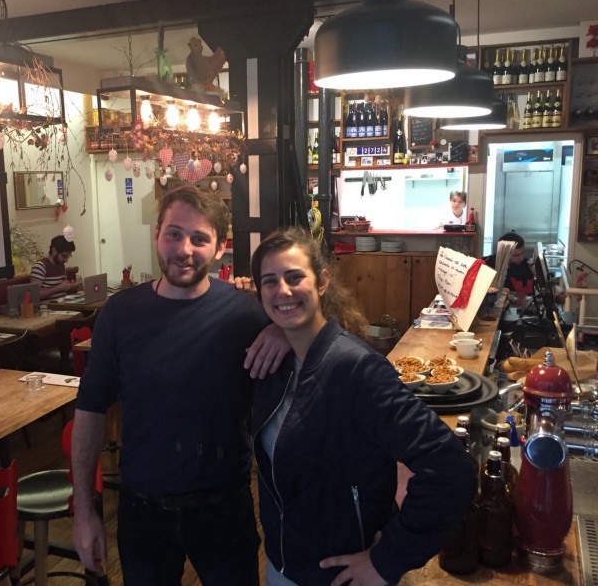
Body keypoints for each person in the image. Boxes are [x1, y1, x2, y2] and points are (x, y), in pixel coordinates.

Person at [71, 185, 288, 585]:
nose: (184, 249)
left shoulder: (248, 313)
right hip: (142, 511)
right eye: (174, 233)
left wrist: (283, 329)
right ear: (157, 235)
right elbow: (89, 410)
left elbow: (323, 338)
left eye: (199, 238)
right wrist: (84, 513)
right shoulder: (120, 313)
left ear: (220, 248)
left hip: (225, 507)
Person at [250, 227, 474, 586]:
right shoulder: (276, 364)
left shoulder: (356, 368)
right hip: (283, 565)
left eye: (294, 277)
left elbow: (449, 466)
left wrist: (389, 559)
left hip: (342, 574)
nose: (283, 290)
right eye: (270, 281)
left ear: (323, 281)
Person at [483, 231, 534, 296]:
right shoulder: (486, 265)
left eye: (523, 253)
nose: (521, 258)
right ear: (503, 253)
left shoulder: (527, 266)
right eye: (516, 255)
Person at [30, 235, 79, 299]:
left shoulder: (61, 265)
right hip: (49, 304)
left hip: (63, 301)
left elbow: (62, 288)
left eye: (68, 256)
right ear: (54, 250)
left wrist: (70, 286)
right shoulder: (40, 267)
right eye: (64, 256)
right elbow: (34, 295)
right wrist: (59, 288)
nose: (66, 260)